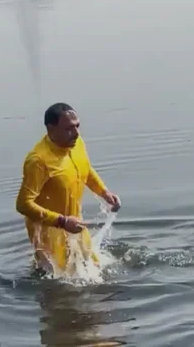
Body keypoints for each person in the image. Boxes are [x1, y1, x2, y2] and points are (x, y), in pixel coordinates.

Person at [15, 102, 121, 274]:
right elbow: (23, 204)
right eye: (69, 128)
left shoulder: (76, 143)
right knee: (62, 282)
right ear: (51, 129)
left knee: (93, 270)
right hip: (50, 232)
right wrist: (62, 222)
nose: (76, 133)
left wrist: (104, 192)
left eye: (77, 126)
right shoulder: (38, 161)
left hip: (74, 223)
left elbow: (84, 168)